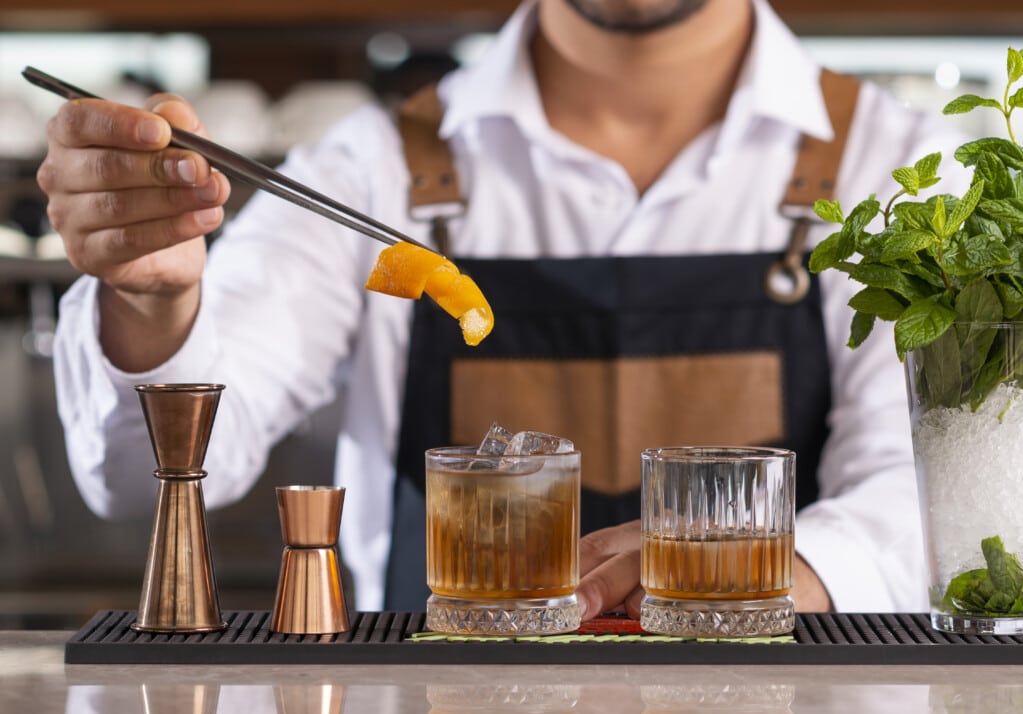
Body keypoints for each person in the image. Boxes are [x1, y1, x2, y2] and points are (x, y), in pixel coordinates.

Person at [40, 0, 969, 617]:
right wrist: (150, 300)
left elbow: (933, 489)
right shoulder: (370, 164)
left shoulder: (899, 168)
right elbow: (139, 478)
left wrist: (767, 566)